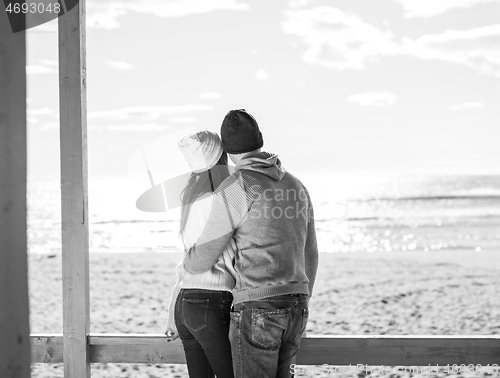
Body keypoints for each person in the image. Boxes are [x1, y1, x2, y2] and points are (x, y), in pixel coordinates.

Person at [183, 109, 319, 378]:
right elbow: (310, 252)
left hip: (259, 308)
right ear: (260, 139)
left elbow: (204, 257)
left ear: (227, 149)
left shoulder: (237, 187)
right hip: (297, 306)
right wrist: (303, 295)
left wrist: (187, 257)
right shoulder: (296, 184)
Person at [165, 130, 237, 378]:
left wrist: (172, 312)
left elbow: (186, 262)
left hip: (186, 303)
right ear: (221, 158)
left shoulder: (192, 200)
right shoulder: (217, 201)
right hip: (211, 301)